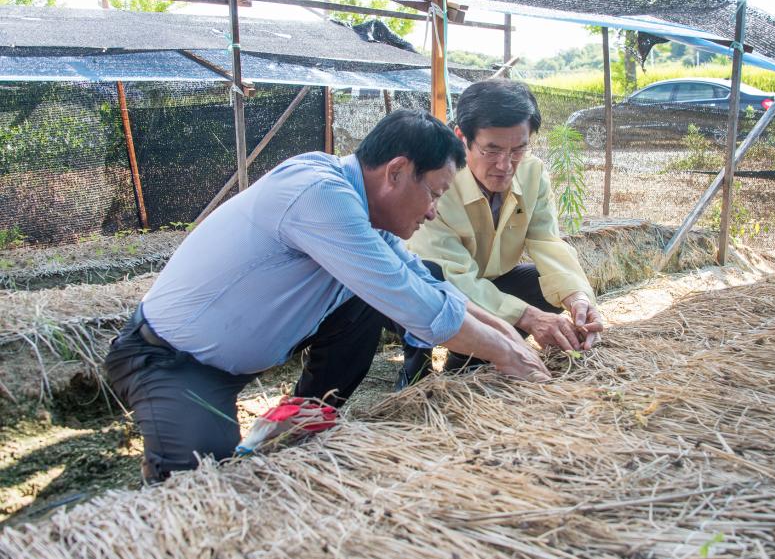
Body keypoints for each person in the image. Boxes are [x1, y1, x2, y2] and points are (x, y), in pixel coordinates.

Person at [105, 109, 550, 482]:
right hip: (171, 361)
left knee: (384, 289)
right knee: (201, 481)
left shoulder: (362, 207)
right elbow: (414, 303)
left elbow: (424, 281)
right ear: (396, 172)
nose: (433, 211)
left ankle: (304, 415)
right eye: (433, 194)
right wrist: (506, 356)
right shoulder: (320, 193)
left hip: (241, 355)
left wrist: (508, 336)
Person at [398, 79, 604, 389]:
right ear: (462, 138)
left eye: (518, 149)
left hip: (488, 284)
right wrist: (528, 316)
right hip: (432, 288)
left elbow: (546, 241)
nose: (505, 165)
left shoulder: (532, 172)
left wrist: (578, 298)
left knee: (542, 281)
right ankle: (415, 371)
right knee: (427, 278)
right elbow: (451, 276)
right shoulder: (437, 181)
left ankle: (471, 357)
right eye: (491, 150)